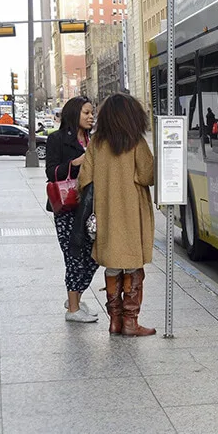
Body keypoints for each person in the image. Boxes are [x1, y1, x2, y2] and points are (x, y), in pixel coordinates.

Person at [79, 93, 156, 336]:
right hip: (132, 215)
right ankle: (131, 322)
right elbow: (147, 176)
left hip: (106, 217)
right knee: (133, 267)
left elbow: (84, 179)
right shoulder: (136, 143)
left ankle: (114, 321)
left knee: (112, 267)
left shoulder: (97, 145)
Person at [45, 96, 99, 323]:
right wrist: (75, 164)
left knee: (94, 256)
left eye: (91, 113)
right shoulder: (56, 139)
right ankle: (73, 310)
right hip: (67, 208)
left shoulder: (92, 140)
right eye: (86, 113)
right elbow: (51, 172)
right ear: (74, 113)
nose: (90, 117)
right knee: (74, 256)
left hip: (89, 206)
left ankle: (75, 296)